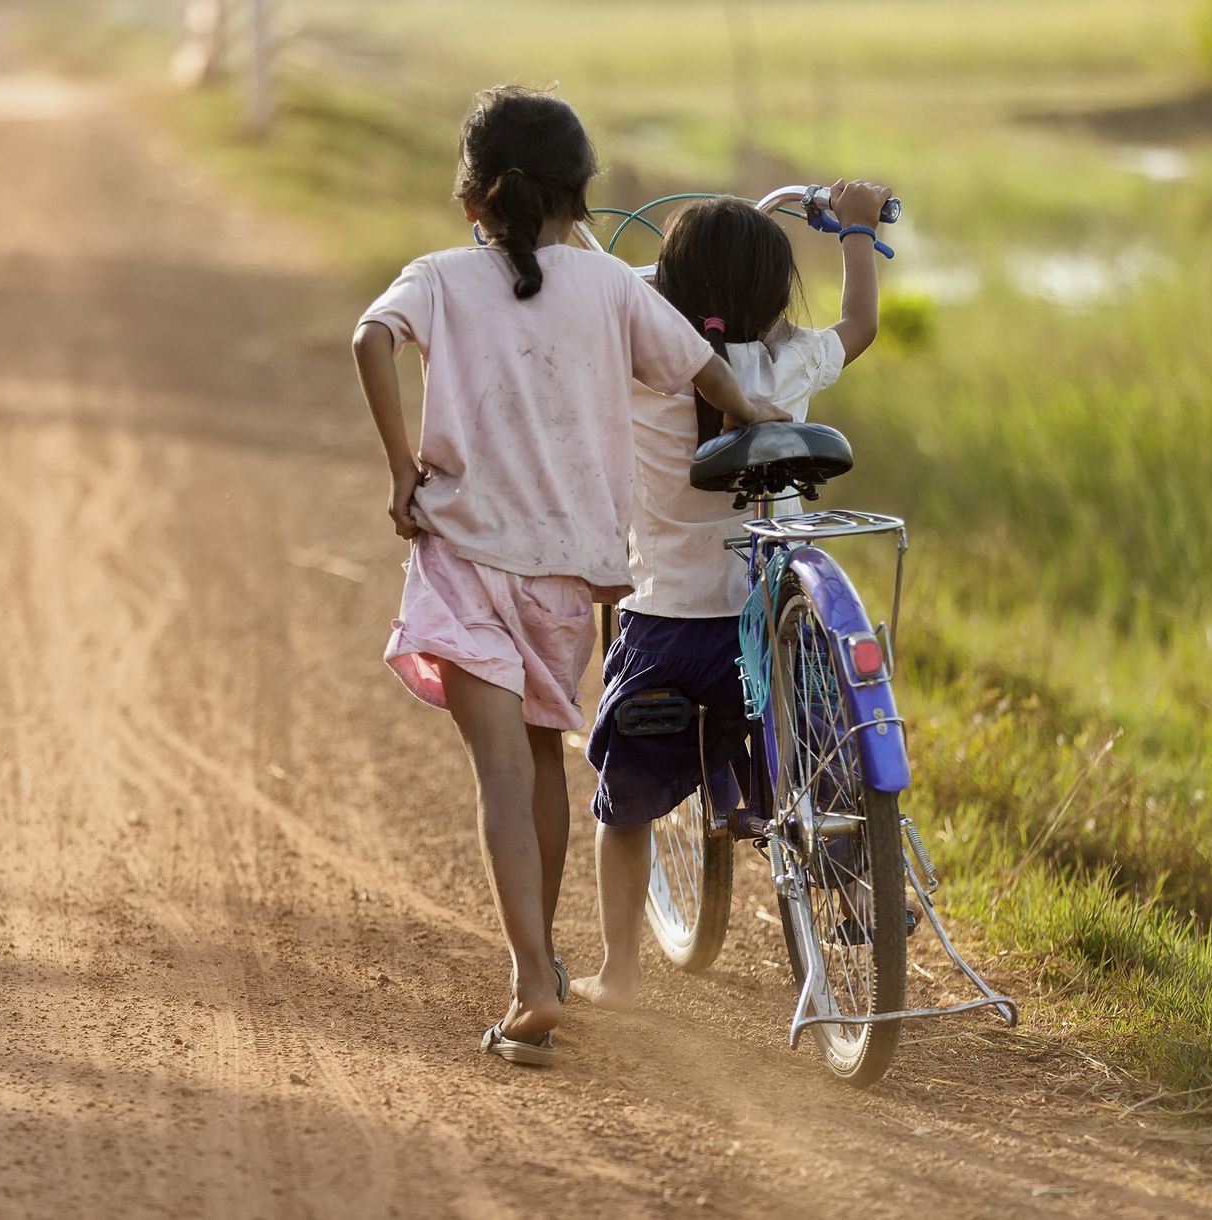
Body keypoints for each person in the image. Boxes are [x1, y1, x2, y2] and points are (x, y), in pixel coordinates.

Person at [351, 86, 788, 1065]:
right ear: (581, 205)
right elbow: (707, 375)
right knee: (543, 760)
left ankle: (531, 979)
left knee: (499, 774)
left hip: (465, 557)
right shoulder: (615, 291)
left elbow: (368, 339)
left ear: (474, 202)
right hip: (565, 577)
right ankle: (539, 962)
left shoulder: (437, 277)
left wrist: (400, 468)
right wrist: (762, 419)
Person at [571, 180, 893, 1011]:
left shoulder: (645, 358)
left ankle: (621, 972)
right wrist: (855, 229)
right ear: (776, 293)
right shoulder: (793, 358)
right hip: (777, 629)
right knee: (827, 757)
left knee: (626, 798)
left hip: (672, 622)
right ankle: (859, 894)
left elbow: (610, 293)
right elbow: (861, 323)